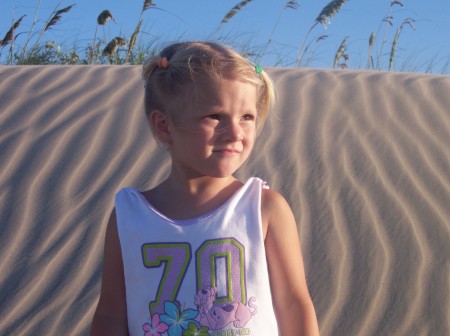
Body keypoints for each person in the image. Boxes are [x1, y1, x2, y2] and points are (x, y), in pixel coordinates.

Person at [90, 41, 319, 336]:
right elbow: (111, 315)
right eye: (215, 116)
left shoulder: (264, 208)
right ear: (163, 125)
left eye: (247, 117)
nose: (236, 133)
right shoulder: (130, 216)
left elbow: (293, 305)